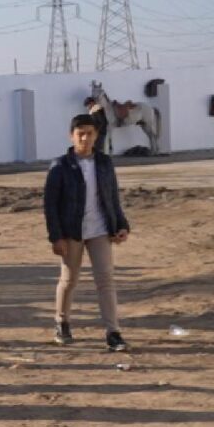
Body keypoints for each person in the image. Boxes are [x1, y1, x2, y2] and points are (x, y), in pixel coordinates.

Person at [45, 115, 131, 351]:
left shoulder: (104, 163)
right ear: (71, 135)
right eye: (80, 133)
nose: (85, 137)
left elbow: (112, 197)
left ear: (96, 135)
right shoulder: (60, 166)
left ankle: (113, 332)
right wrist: (56, 236)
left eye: (89, 133)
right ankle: (62, 323)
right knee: (69, 279)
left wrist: (121, 225)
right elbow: (50, 204)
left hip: (100, 230)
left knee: (106, 280)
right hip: (72, 232)